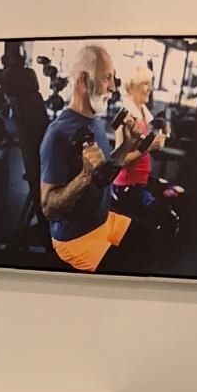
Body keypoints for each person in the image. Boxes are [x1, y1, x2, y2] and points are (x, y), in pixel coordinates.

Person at [37, 43, 152, 273]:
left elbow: (105, 171)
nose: (113, 86)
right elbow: (48, 208)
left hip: (103, 221)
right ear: (83, 80)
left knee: (157, 242)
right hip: (75, 238)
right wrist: (84, 176)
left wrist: (127, 145)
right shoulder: (57, 133)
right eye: (107, 78)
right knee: (137, 270)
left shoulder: (94, 120)